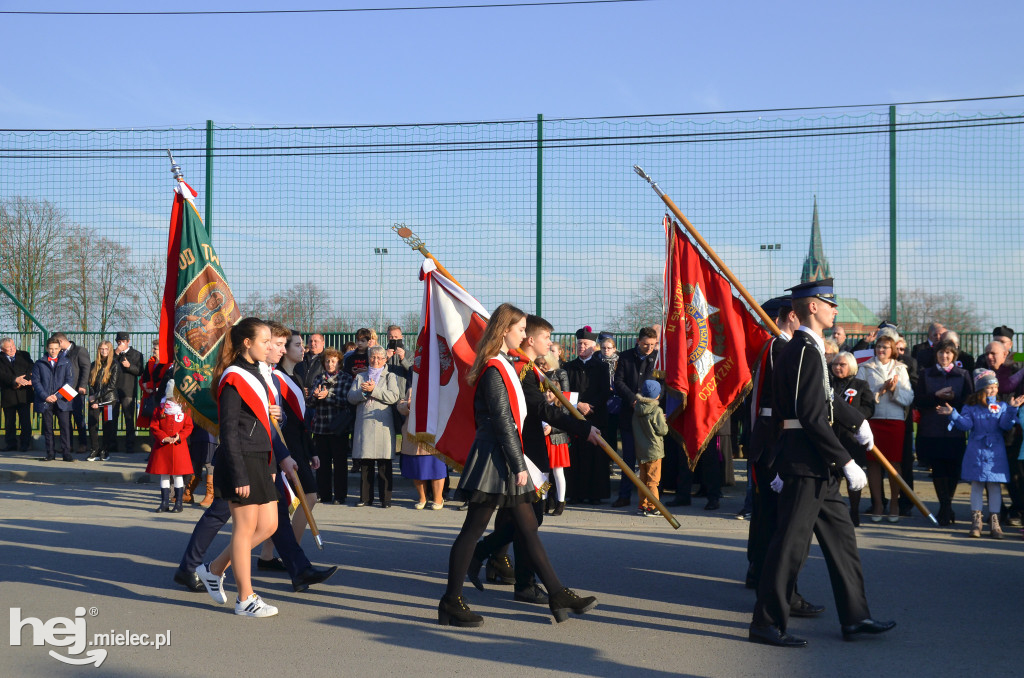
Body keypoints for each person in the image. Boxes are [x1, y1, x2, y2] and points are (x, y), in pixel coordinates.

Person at [750, 278, 894, 648]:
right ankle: (766, 622)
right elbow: (809, 414)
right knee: (789, 546)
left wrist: (856, 420)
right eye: (829, 302)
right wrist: (846, 460)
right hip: (804, 462)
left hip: (817, 465)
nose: (835, 309)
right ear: (811, 306)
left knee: (842, 539)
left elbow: (827, 400)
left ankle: (856, 616)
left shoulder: (812, 349)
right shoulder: (799, 350)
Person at [439, 303, 597, 627]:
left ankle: (556, 592)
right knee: (472, 531)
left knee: (528, 527)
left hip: (506, 457)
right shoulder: (495, 368)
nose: (524, 335)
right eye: (521, 328)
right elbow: (502, 422)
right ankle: (451, 602)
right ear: (504, 329)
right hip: (496, 460)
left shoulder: (507, 365)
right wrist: (518, 464)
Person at [195, 318, 282, 617]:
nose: (270, 346)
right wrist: (239, 473)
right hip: (240, 460)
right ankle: (245, 598)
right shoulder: (234, 377)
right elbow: (229, 430)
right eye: (265, 341)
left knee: (269, 525)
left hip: (260, 457)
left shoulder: (256, 373)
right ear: (247, 343)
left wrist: (271, 414)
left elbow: (252, 418)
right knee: (244, 529)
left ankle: (214, 568)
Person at [257, 324, 321, 569]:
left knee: (285, 506)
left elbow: (301, 422)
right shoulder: (276, 379)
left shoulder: (295, 377)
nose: (302, 349)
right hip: (285, 449)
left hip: (298, 447)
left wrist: (311, 450)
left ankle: (267, 555)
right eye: (296, 345)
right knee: (307, 497)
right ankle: (290, 553)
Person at [937, 369, 1024, 538]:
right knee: (976, 485)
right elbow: (965, 425)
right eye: (988, 387)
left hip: (995, 450)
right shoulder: (971, 407)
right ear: (980, 389)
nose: (992, 390)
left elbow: (1006, 425)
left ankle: (995, 522)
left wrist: (1012, 410)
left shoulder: (1002, 406)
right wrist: (953, 415)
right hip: (976, 449)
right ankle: (976, 521)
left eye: (994, 387)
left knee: (994, 486)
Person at [914, 339, 972, 526]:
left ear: (954, 355)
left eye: (948, 353)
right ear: (936, 355)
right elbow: (919, 401)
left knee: (953, 469)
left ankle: (947, 507)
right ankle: (945, 508)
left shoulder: (963, 375)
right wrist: (936, 396)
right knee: (938, 468)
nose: (944, 356)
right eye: (941, 353)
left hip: (955, 429)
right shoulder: (926, 374)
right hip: (932, 429)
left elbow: (969, 401)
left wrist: (954, 401)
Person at [859, 334, 913, 523]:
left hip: (895, 420)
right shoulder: (865, 368)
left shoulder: (901, 369)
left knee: (894, 464)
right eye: (879, 346)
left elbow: (908, 398)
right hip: (873, 420)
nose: (881, 350)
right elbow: (860, 396)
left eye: (885, 347)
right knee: (873, 464)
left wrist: (894, 390)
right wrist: (880, 391)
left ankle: (895, 504)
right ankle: (878, 503)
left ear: (893, 351)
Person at [611, 327, 659, 509]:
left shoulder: (657, 358)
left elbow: (660, 382)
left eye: (653, 345)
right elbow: (618, 382)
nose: (649, 348)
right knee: (628, 458)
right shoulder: (625, 357)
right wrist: (632, 399)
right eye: (646, 344)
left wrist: (648, 402)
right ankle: (624, 496)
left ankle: (651, 498)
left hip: (649, 417)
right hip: (629, 415)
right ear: (638, 341)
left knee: (650, 459)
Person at [348, 345, 401, 507]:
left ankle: (385, 499)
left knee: (384, 464)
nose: (375, 360)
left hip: (382, 424)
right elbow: (351, 397)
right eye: (372, 357)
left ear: (385, 360)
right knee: (366, 464)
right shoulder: (360, 376)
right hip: (364, 423)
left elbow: (393, 396)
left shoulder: (390, 376)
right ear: (368, 358)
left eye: (379, 358)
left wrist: (373, 390)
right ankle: (365, 498)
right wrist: (363, 393)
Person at [829, 351, 876, 526]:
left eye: (842, 365)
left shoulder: (861, 385)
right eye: (835, 364)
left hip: (851, 438)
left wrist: (851, 418)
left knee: (852, 480)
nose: (838, 367)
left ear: (851, 366)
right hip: (831, 437)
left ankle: (854, 512)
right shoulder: (828, 384)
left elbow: (869, 409)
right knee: (833, 477)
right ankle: (834, 513)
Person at [564, 326, 610, 504]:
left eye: (585, 344)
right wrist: (578, 405)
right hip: (574, 417)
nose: (581, 346)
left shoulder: (602, 367)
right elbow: (563, 391)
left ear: (593, 346)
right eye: (579, 344)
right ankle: (575, 493)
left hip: (595, 415)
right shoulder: (568, 367)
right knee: (575, 456)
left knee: (596, 457)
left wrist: (591, 407)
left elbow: (604, 391)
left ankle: (595, 494)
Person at [307, 347, 352, 504]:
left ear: (339, 363)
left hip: (338, 428)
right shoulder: (319, 378)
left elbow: (346, 401)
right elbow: (310, 404)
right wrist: (314, 396)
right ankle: (323, 493)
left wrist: (328, 396)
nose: (330, 364)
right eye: (327, 361)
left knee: (340, 465)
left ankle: (340, 496)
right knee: (322, 464)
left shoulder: (345, 379)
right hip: (320, 428)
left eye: (333, 361)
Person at [146, 379, 195, 512]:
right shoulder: (160, 409)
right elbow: (154, 426)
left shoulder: (185, 409)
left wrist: (180, 436)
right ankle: (164, 503)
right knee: (164, 475)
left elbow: (189, 426)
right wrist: (163, 437)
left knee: (178, 475)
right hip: (163, 446)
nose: (176, 399)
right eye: (174, 396)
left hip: (179, 446)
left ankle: (178, 503)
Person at [397, 387, 447, 509]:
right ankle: (422, 498)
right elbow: (400, 406)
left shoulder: (441, 388)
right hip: (414, 435)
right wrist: (408, 405)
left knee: (436, 469)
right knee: (417, 468)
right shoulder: (412, 389)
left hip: (433, 434)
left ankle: (438, 499)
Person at [32, 337, 75, 463]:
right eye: (51, 348)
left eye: (56, 349)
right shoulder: (39, 363)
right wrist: (46, 396)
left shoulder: (66, 362)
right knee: (48, 428)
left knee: (65, 427)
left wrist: (58, 396)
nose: (53, 351)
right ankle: (50, 453)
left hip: (62, 401)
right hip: (46, 401)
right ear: (46, 348)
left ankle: (66, 453)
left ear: (60, 349)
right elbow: (36, 382)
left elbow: (69, 381)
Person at [633, 379, 668, 517]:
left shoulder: (637, 408)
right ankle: (653, 507)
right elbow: (662, 430)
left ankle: (642, 505)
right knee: (653, 481)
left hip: (640, 449)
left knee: (642, 479)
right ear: (657, 396)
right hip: (654, 450)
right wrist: (664, 421)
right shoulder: (656, 410)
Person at [53, 332, 91, 454]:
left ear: (60, 342)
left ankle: (83, 444)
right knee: (65, 418)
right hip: (62, 391)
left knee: (78, 417)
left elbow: (86, 368)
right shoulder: (59, 354)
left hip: (75, 390)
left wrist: (82, 385)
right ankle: (67, 445)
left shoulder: (79, 350)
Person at [85, 340, 120, 462]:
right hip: (94, 401)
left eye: (106, 349)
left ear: (110, 350)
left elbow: (111, 386)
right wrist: (92, 398)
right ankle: (94, 449)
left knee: (108, 426)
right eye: (101, 349)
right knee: (92, 425)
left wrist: (96, 397)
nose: (104, 351)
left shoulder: (114, 365)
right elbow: (90, 383)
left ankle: (105, 450)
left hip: (108, 401)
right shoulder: (94, 364)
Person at [0, 337, 34, 452]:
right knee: (9, 421)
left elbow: (31, 368)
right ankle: (11, 444)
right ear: (2, 349)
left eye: (13, 346)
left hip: (23, 393)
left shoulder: (24, 355)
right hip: (8, 393)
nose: (12, 349)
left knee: (25, 421)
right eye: (8, 348)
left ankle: (25, 444)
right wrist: (14, 380)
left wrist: (22, 381)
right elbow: (2, 375)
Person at [112, 333, 144, 454]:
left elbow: (140, 371)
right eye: (118, 341)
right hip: (113, 391)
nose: (120, 343)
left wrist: (129, 366)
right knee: (112, 419)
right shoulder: (113, 354)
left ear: (128, 341)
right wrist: (115, 354)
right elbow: (107, 367)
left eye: (123, 341)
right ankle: (112, 444)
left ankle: (130, 446)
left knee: (129, 419)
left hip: (128, 390)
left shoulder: (136, 354)